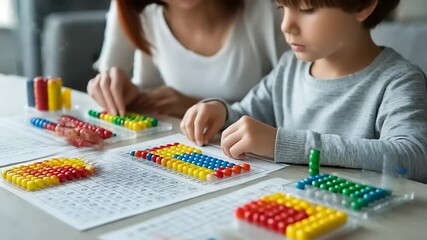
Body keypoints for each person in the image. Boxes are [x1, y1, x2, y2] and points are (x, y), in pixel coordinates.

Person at [180, 0, 427, 183]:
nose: (287, 25)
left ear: (362, 5)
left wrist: (283, 144)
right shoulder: (289, 67)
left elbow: (413, 157)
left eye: (307, 10)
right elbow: (246, 115)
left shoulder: (399, 80)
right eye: (282, 8)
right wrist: (220, 111)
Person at [87, 0, 287, 118]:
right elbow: (148, 88)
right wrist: (125, 92)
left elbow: (299, 111)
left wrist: (195, 106)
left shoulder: (269, 10)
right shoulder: (140, 13)